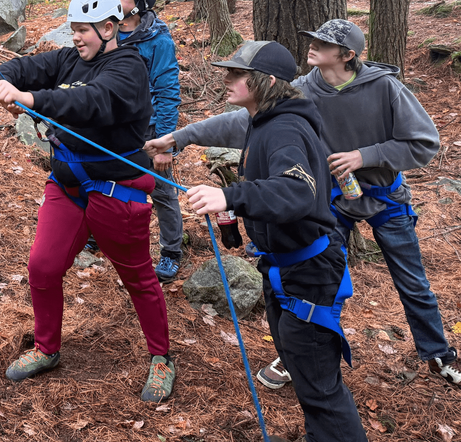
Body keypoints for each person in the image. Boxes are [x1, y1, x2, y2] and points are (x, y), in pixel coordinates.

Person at [149, 19, 460, 390]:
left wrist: (366, 156)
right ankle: (306, 350)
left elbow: (424, 143)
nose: (311, 45)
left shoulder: (384, 89)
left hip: (385, 199)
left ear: (347, 55)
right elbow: (241, 123)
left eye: (323, 43)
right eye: (311, 37)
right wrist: (181, 137)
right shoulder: (301, 90)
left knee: (411, 280)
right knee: (324, 281)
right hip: (332, 203)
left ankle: (437, 352)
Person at [156, 40, 368, 442]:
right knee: (303, 370)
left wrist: (231, 195)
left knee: (320, 389)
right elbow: (232, 139)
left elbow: (296, 192)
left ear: (266, 81)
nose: (227, 78)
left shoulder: (285, 128)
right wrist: (178, 142)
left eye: (236, 73)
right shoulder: (262, 119)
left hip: (309, 272)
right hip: (282, 268)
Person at [0, 0, 175, 402]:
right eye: (72, 30)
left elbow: (92, 101)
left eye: (84, 31)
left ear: (109, 29)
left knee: (138, 277)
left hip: (118, 191)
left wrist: (31, 99)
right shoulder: (69, 58)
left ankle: (162, 357)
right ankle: (46, 348)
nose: (75, 38)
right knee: (42, 265)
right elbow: (23, 67)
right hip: (68, 186)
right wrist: (5, 81)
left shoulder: (129, 68)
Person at [113, 0, 183, 282]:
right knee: (108, 179)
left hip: (149, 131)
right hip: (114, 126)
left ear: (139, 5)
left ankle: (171, 252)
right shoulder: (109, 33)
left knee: (163, 191)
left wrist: (165, 143)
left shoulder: (158, 40)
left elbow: (167, 91)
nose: (117, 0)